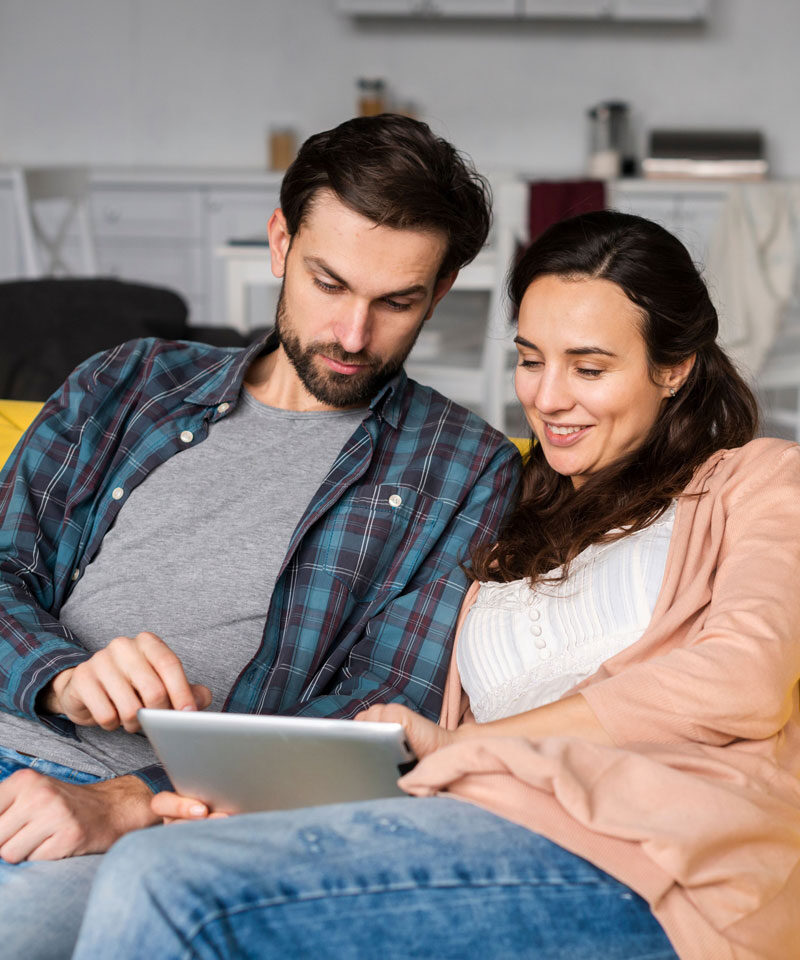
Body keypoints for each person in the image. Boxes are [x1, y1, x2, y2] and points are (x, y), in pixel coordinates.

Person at [73, 210, 800, 960]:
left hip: (653, 853)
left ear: (673, 367)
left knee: (168, 880)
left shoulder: (760, 482)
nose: (547, 399)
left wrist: (464, 745)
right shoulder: (505, 508)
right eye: (530, 359)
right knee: (173, 859)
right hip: (459, 818)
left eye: (588, 368)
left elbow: (737, 679)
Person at [0, 114, 521, 958]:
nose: (353, 337)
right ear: (280, 242)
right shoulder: (127, 380)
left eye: (397, 302)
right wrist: (59, 675)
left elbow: (373, 720)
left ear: (446, 283)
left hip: (144, 818)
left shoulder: (464, 469)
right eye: (329, 283)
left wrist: (132, 800)